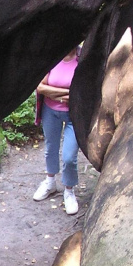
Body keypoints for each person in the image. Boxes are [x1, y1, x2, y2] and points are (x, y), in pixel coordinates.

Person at [33, 47, 80, 215]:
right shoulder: (52, 58)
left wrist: (53, 92)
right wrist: (66, 93)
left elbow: (80, 91)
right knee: (50, 148)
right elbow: (40, 87)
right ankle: (50, 182)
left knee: (69, 157)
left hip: (73, 115)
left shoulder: (81, 59)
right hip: (49, 112)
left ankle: (69, 191)